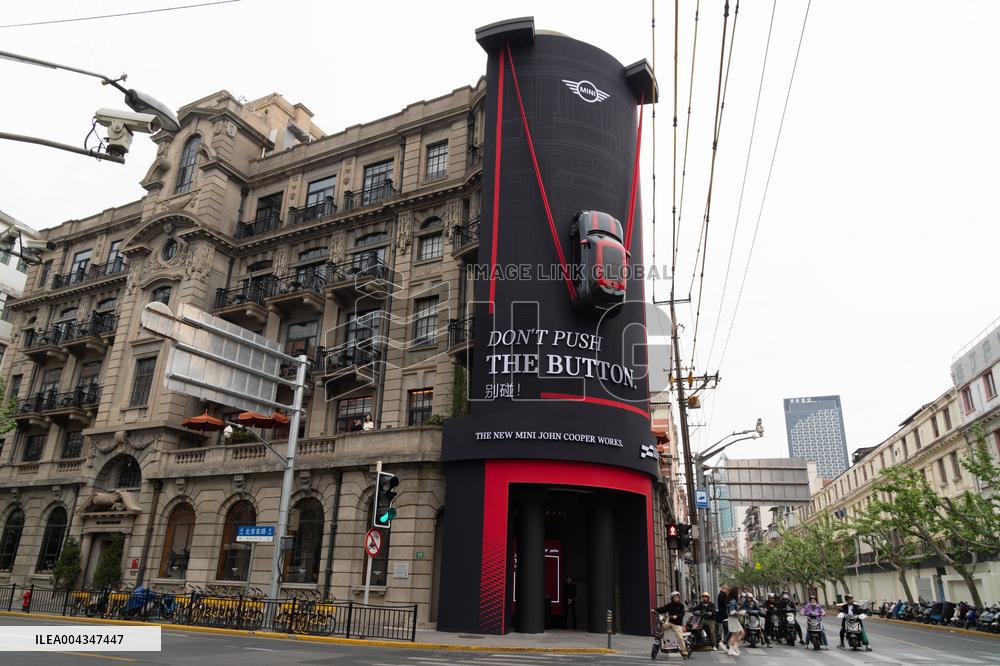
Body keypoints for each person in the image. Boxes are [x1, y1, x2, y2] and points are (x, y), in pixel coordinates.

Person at [656, 591, 689, 659]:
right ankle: (660, 640)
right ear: (672, 598)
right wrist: (654, 610)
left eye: (678, 597)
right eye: (675, 597)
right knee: (661, 626)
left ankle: (684, 653)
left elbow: (682, 613)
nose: (677, 598)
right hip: (669, 622)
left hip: (677, 624)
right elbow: (662, 609)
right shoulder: (669, 605)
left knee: (680, 637)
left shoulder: (681, 605)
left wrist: (677, 616)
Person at [726, 588, 745, 656]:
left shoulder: (733, 601)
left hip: (734, 618)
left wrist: (739, 612)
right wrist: (741, 613)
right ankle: (731, 650)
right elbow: (732, 612)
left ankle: (734, 647)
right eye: (737, 592)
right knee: (735, 634)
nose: (738, 594)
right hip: (732, 618)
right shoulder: (733, 601)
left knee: (742, 633)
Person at [716, 583, 731, 649]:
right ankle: (725, 642)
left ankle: (726, 644)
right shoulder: (723, 595)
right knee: (730, 630)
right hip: (725, 615)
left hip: (723, 615)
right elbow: (726, 605)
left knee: (726, 630)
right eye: (727, 589)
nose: (728, 591)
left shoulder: (721, 595)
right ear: (724, 589)